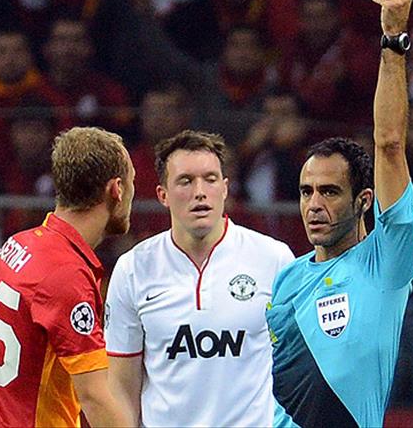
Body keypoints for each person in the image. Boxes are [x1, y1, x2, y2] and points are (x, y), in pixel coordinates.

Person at [265, 0, 413, 427]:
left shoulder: (387, 261)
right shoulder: (286, 280)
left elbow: (389, 144)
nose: (314, 204)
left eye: (330, 191)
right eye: (307, 191)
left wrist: (392, 40)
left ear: (364, 200)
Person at [105, 129, 295, 427]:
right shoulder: (133, 269)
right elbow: (121, 387)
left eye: (210, 179)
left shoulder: (274, 259)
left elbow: (297, 368)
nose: (200, 192)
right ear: (163, 195)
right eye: (186, 181)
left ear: (225, 188)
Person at [0, 127, 135, 428]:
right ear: (117, 189)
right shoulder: (64, 273)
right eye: (133, 182)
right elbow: (95, 397)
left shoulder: (16, 245)